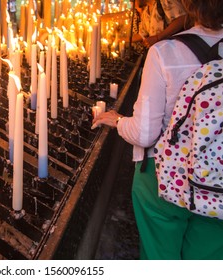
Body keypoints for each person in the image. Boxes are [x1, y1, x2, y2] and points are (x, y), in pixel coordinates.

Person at [92, 0, 223, 259]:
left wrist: (118, 120)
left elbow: (144, 133)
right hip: (217, 182)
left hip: (164, 178)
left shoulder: (165, 52)